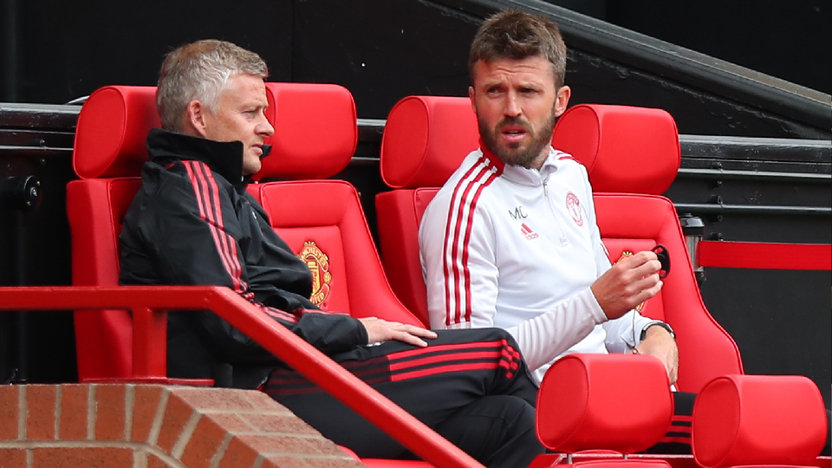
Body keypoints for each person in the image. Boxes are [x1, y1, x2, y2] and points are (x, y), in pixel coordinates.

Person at [119, 39, 544, 467]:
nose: (267, 128)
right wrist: (356, 331)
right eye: (250, 113)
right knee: (498, 351)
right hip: (256, 391)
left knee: (513, 421)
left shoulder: (219, 185)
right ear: (198, 117)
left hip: (294, 375)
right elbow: (235, 321)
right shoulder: (190, 185)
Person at [419, 9, 689, 452]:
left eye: (528, 91)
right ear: (473, 100)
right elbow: (466, 366)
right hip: (542, 411)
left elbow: (606, 310)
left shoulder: (571, 175)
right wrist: (593, 304)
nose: (511, 109)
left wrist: (655, 333)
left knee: (755, 425)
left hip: (608, 393)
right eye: (494, 91)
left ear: (561, 100)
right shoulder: (464, 206)